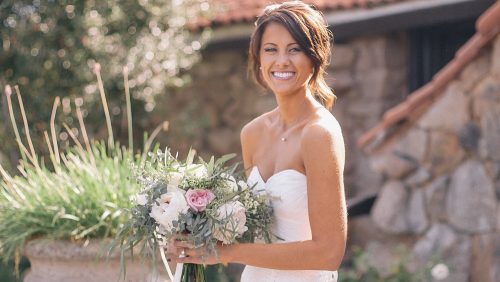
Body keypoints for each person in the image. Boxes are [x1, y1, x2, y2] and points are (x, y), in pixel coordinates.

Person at [169, 1, 347, 281]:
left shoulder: (318, 133)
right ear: (259, 58)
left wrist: (228, 253)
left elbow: (329, 253)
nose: (282, 61)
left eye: (295, 49)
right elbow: (250, 226)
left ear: (315, 57)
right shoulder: (252, 133)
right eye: (271, 49)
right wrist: (191, 231)